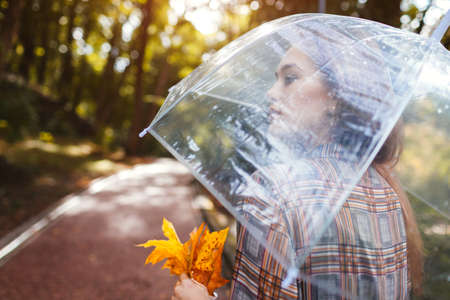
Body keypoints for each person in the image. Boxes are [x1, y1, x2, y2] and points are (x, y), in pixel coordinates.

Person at [172, 44, 423, 300]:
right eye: (276, 80)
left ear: (336, 97)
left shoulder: (272, 187)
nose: (270, 93)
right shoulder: (388, 192)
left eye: (290, 78)